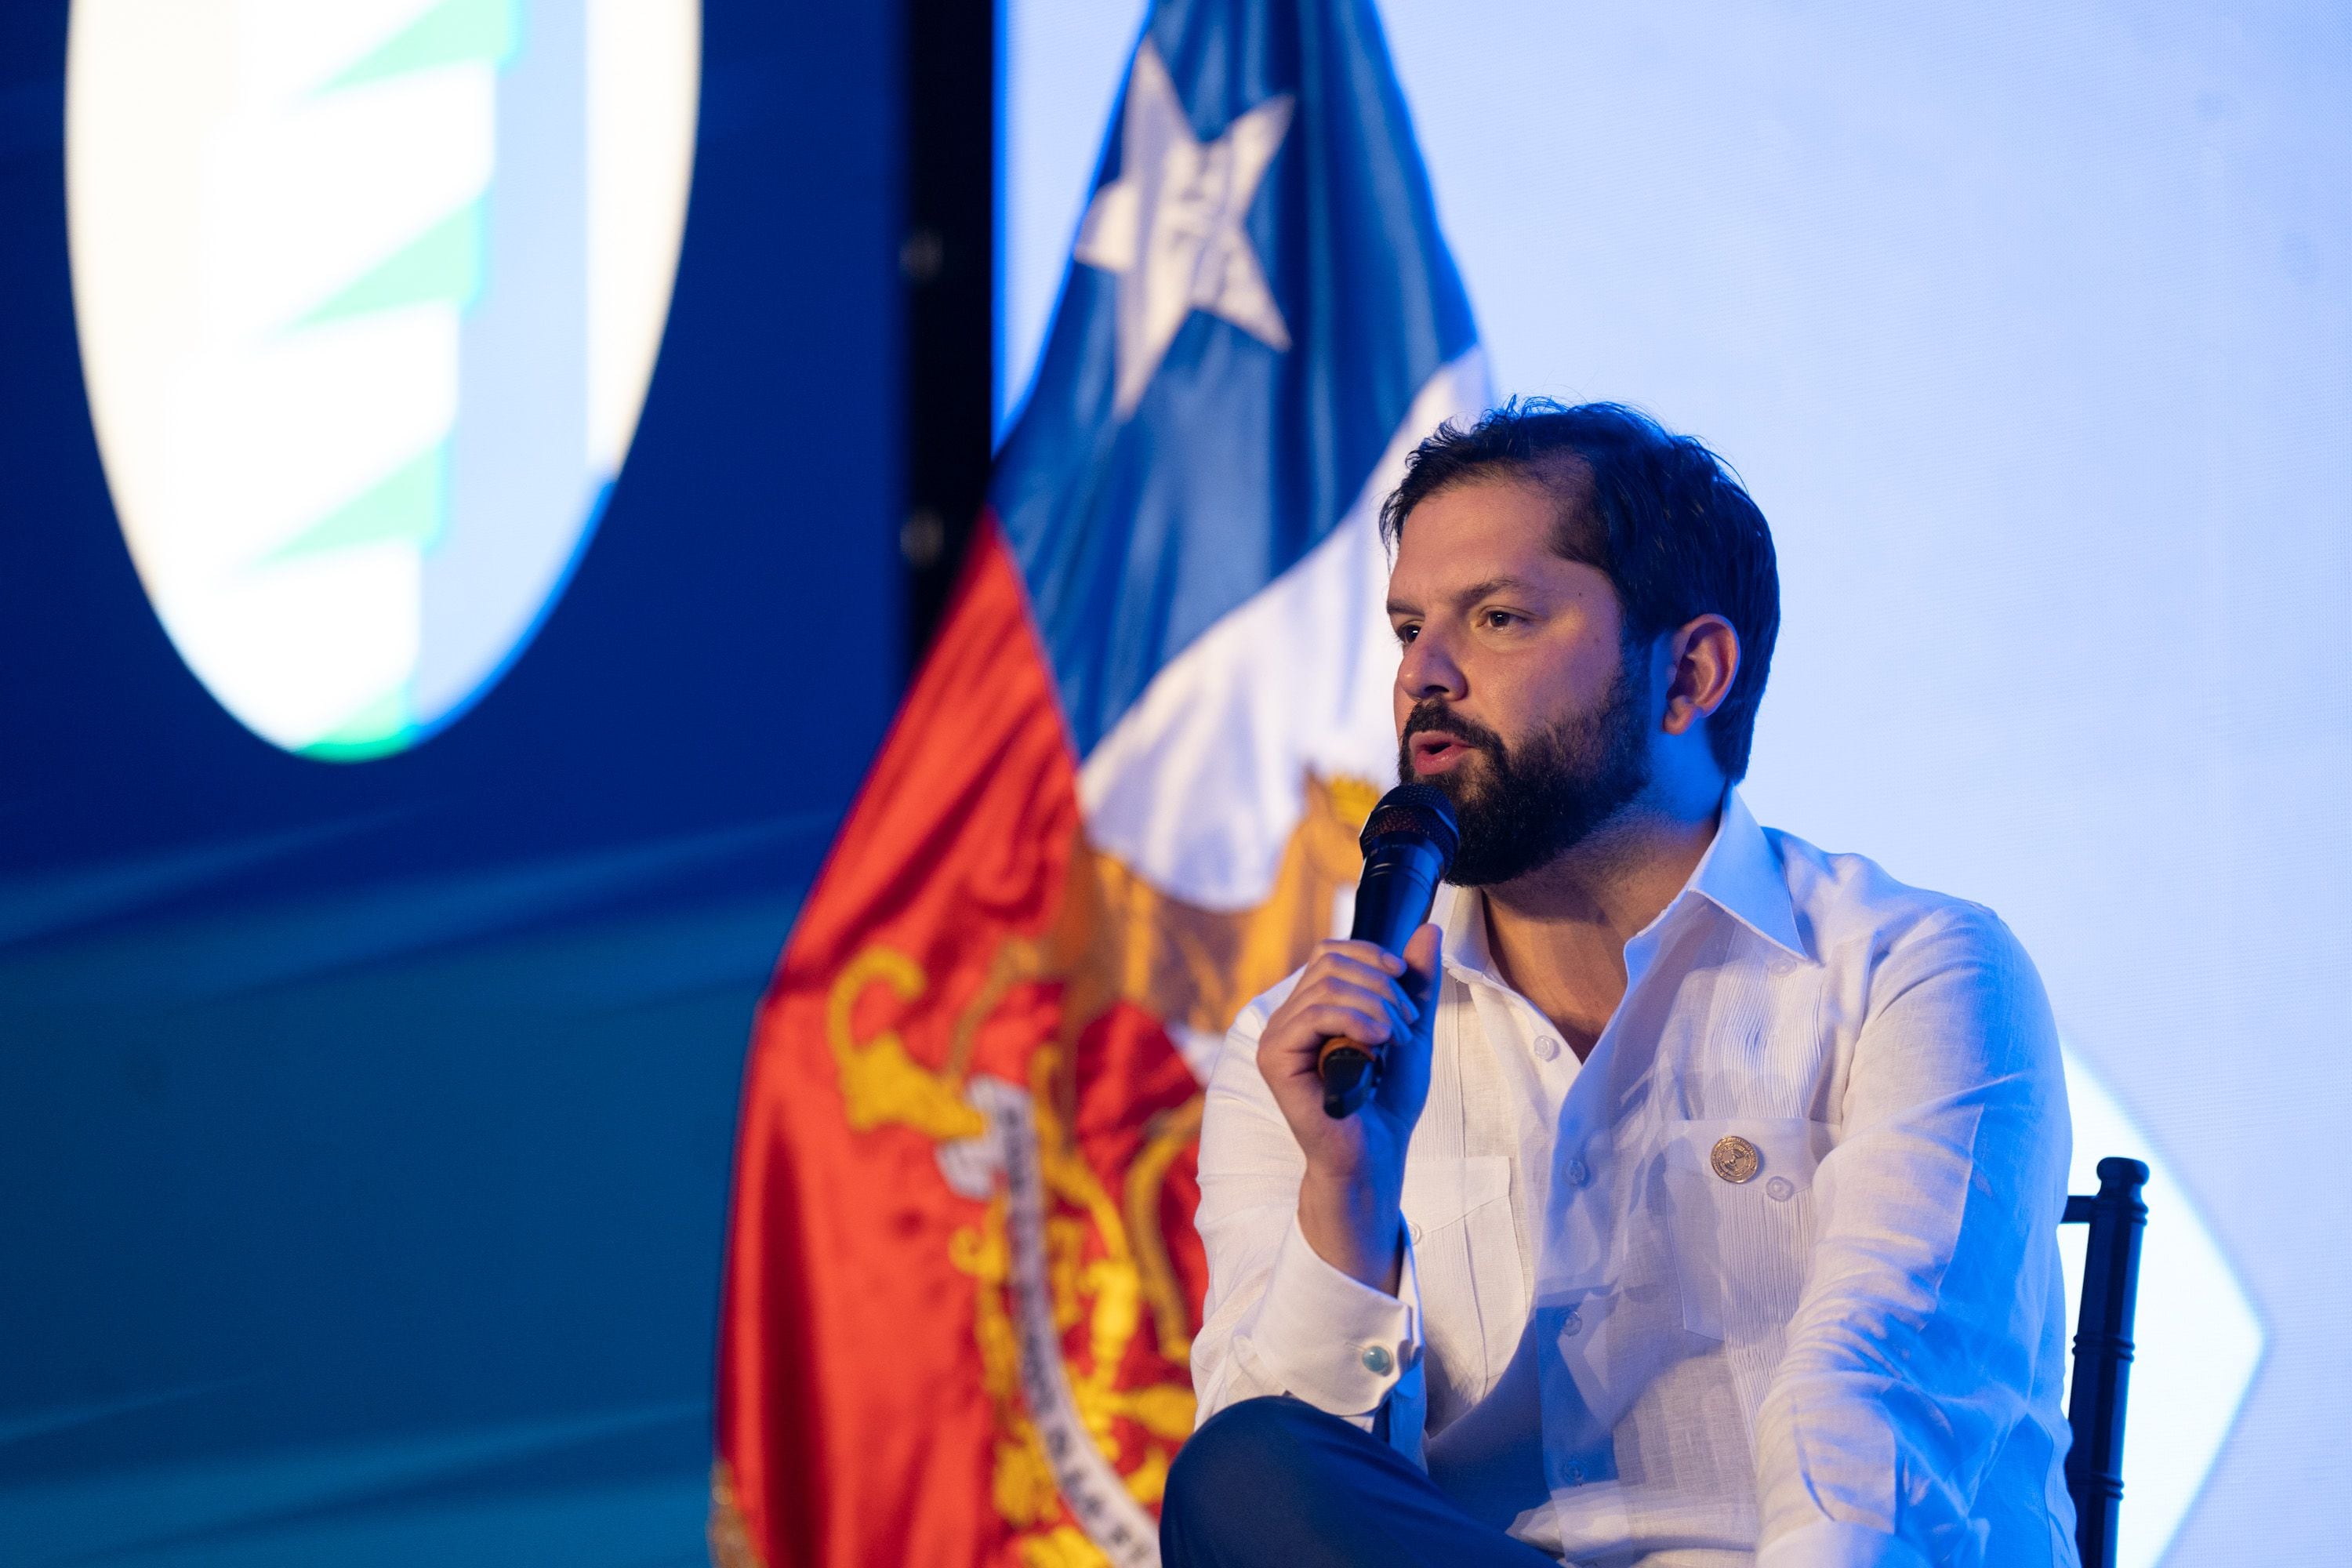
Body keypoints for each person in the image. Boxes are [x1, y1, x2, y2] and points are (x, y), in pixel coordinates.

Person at [1163, 401, 2076, 1568]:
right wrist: (1348, 1195)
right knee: (1247, 1468)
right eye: (1406, 631)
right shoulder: (1302, 1049)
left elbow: (1879, 1433)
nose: (1423, 680)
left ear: (1688, 673)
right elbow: (1280, 1519)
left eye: (1497, 618)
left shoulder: (1916, 975)